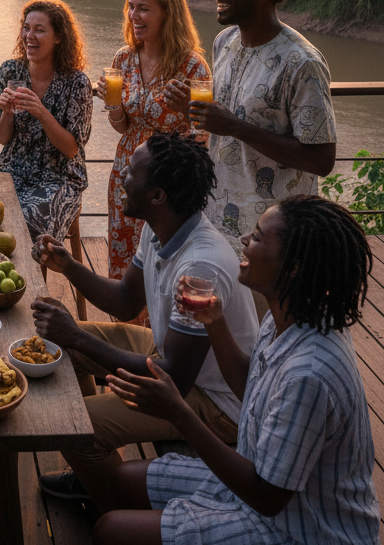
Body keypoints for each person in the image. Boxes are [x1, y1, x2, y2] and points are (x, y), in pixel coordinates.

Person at [95, 195, 379, 545]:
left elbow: (267, 498)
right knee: (122, 480)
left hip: (298, 527)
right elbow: (250, 386)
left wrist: (180, 413)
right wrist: (215, 322)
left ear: (293, 266)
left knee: (110, 531)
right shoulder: (289, 316)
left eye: (258, 237)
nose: (244, 239)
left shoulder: (310, 373)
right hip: (258, 482)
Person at [32, 133, 260, 515]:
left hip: (216, 399)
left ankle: (115, 507)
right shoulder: (159, 226)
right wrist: (69, 267)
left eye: (131, 172)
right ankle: (95, 471)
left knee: (75, 427)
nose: (121, 174)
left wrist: (75, 334)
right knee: (50, 345)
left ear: (158, 195)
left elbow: (174, 379)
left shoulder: (200, 266)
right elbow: (125, 302)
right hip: (169, 355)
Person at [165, 0, 336, 256]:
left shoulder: (302, 62)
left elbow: (321, 160)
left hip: (273, 239)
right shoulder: (224, 42)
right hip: (216, 222)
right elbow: (235, 110)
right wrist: (192, 105)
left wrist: (235, 127)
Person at [99, 0, 208, 317]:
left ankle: (160, 344)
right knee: (123, 260)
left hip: (168, 181)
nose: (134, 15)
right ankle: (124, 335)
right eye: (131, 6)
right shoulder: (124, 59)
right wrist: (113, 104)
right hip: (128, 173)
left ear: (168, 14)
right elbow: (123, 127)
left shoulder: (191, 66)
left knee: (164, 264)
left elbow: (203, 135)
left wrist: (186, 111)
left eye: (144, 8)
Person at [0, 0, 93, 242]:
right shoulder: (10, 71)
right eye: (26, 28)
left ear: (58, 37)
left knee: (27, 221)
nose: (29, 35)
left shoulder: (77, 83)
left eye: (39, 30)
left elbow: (71, 149)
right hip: (13, 168)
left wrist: (41, 112)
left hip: (59, 175)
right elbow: (1, 137)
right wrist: (6, 113)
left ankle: (28, 278)